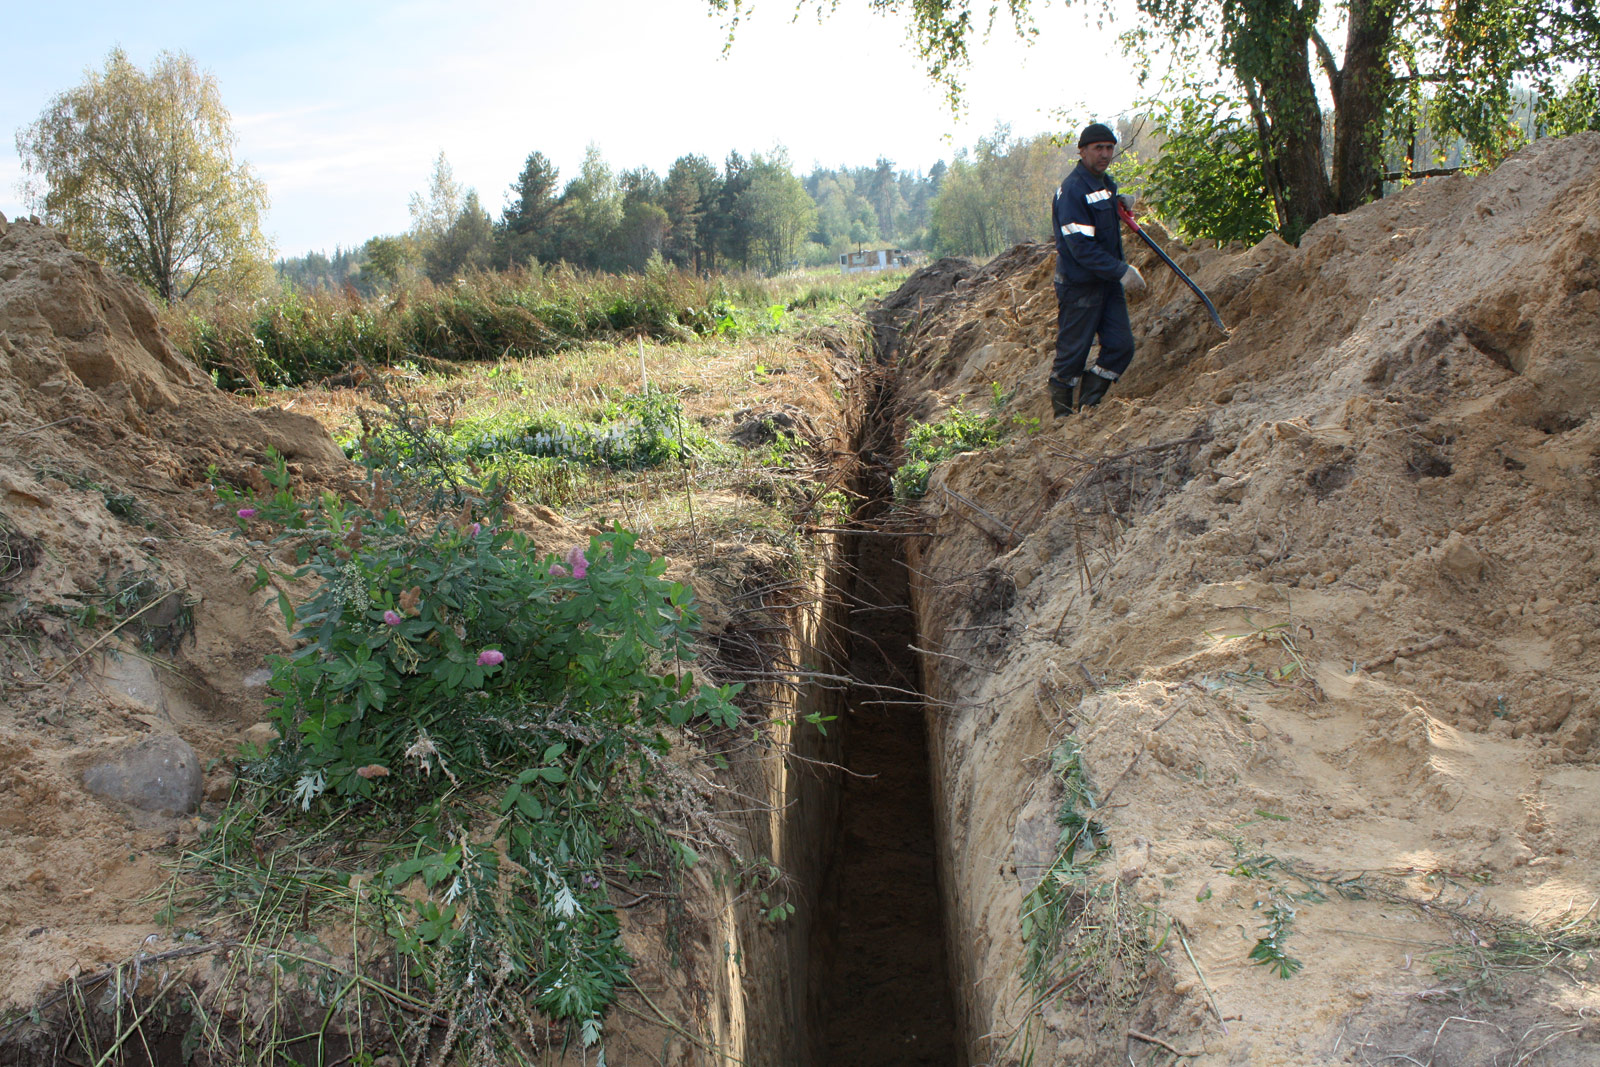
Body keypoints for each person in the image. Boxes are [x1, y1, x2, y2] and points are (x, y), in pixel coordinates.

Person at [1049, 122, 1146, 416]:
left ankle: (1089, 406)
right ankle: (1063, 418)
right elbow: (1081, 247)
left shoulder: (1104, 183)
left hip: (1106, 284)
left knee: (1121, 347)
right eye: (1097, 148)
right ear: (1082, 151)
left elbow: (1099, 215)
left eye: (1109, 148)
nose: (1104, 154)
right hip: (1080, 286)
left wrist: (1117, 202)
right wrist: (1121, 270)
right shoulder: (1072, 191)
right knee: (1072, 355)